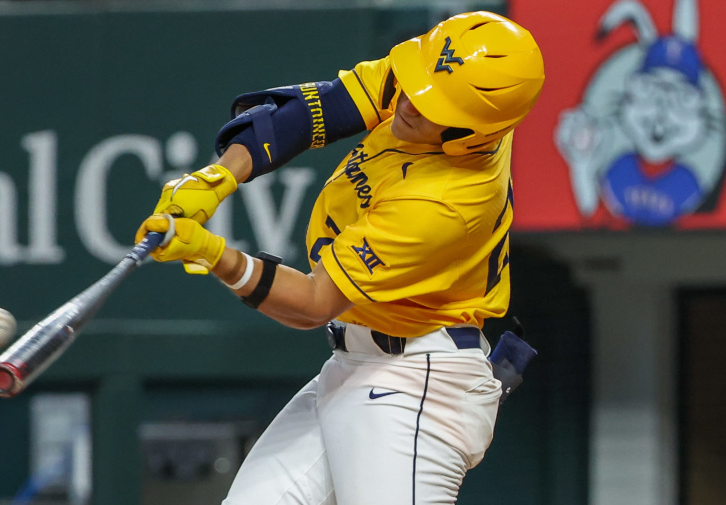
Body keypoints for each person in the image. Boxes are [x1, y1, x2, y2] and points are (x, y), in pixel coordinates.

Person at [134, 10, 545, 505]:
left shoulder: (450, 203)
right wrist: (218, 177)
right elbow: (317, 109)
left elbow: (313, 302)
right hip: (354, 362)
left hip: (417, 385)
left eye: (434, 105)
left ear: (472, 134)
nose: (410, 101)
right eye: (418, 83)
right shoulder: (438, 84)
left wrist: (215, 254)